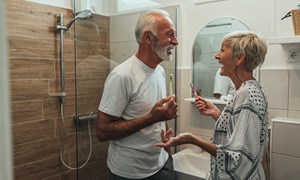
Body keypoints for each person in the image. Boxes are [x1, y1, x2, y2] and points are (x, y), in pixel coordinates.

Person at [156, 31, 269, 180]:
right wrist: (217, 114)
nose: (217, 56)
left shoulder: (247, 94)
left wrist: (192, 139)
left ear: (239, 58)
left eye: (222, 50)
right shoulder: (247, 90)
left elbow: (237, 157)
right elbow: (239, 133)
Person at [96, 9, 179, 180]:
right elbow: (102, 132)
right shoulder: (122, 76)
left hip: (162, 163)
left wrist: (164, 137)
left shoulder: (160, 71)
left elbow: (155, 117)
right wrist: (151, 118)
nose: (176, 42)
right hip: (130, 172)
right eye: (169, 35)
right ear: (148, 37)